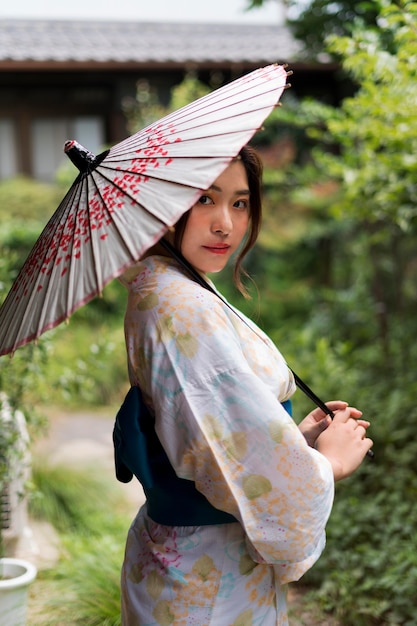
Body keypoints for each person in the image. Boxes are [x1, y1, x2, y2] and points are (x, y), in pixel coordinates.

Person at [118, 145, 373, 625]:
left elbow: (208, 437)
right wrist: (328, 464)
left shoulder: (168, 283)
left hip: (188, 564)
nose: (226, 224)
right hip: (209, 576)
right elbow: (225, 450)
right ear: (165, 203)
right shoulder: (180, 306)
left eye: (239, 203)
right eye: (204, 200)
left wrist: (291, 440)